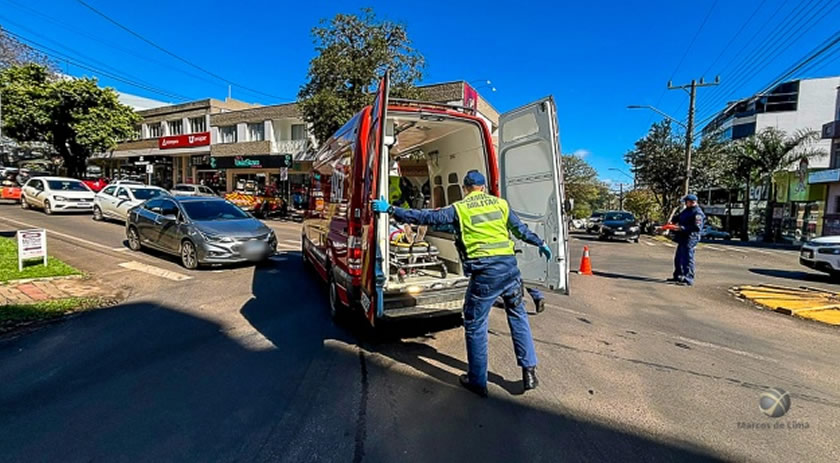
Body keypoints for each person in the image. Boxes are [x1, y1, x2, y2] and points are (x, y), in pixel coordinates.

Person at [372, 170, 552, 397]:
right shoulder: (501, 205)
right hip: (510, 271)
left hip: (485, 275)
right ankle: (529, 371)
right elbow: (521, 230)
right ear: (484, 188)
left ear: (465, 188)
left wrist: (390, 209)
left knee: (475, 324)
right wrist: (541, 243)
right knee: (518, 316)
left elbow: (424, 217)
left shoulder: (459, 208)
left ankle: (477, 381)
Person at [668, 194, 705, 286]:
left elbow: (697, 227)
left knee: (687, 258)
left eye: (686, 201)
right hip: (682, 237)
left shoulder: (697, 213)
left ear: (691, 202)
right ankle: (678, 275)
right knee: (678, 258)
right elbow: (678, 217)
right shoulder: (687, 210)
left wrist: (682, 228)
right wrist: (672, 221)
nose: (685, 203)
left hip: (690, 238)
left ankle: (688, 278)